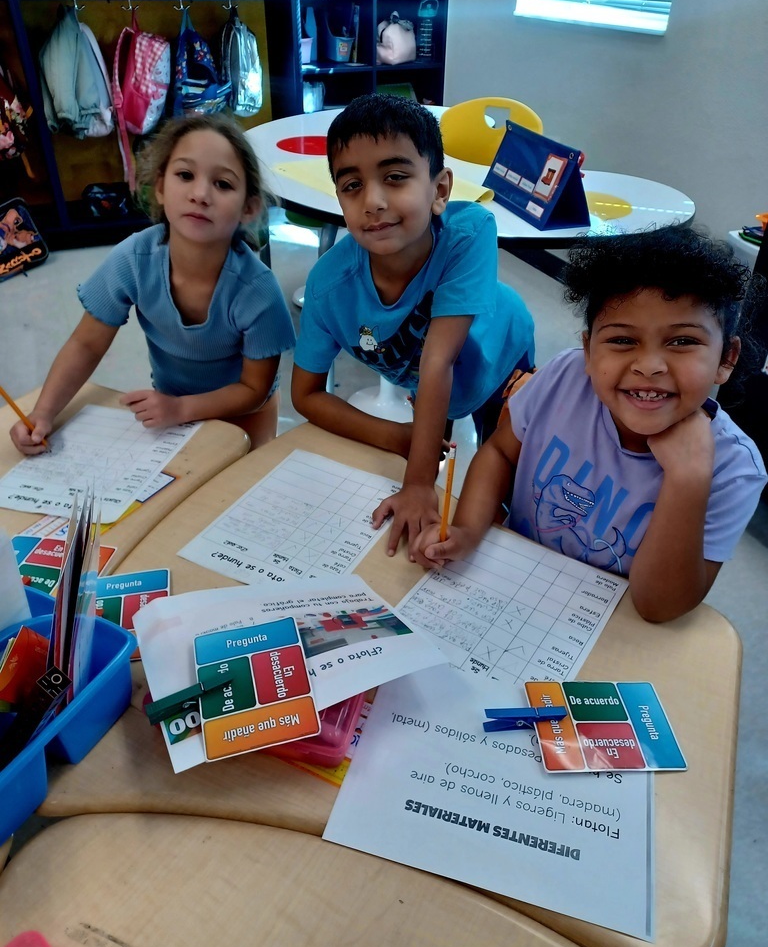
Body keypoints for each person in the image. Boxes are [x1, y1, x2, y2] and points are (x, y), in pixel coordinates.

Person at [414, 226, 767, 623]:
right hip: (509, 586)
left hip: (605, 627)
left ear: (726, 359)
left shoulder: (734, 470)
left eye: (682, 342)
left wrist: (688, 478)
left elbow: (658, 607)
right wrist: (467, 531)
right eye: (621, 341)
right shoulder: (566, 377)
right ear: (587, 350)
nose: (648, 366)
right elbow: (498, 451)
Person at [291, 94, 535, 558]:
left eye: (396, 177)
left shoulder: (470, 233)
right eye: (351, 185)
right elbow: (305, 395)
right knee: (431, 420)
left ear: (440, 190)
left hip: (500, 355)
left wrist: (419, 483)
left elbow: (439, 360)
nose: (374, 201)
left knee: (500, 464)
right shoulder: (327, 289)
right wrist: (396, 437)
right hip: (428, 374)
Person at [9, 114, 295, 454]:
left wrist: (180, 409)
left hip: (246, 416)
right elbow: (86, 345)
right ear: (160, 187)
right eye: (185, 175)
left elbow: (254, 390)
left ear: (249, 208)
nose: (201, 194)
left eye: (223, 184)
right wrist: (43, 412)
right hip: (170, 408)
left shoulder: (258, 292)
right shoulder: (133, 258)